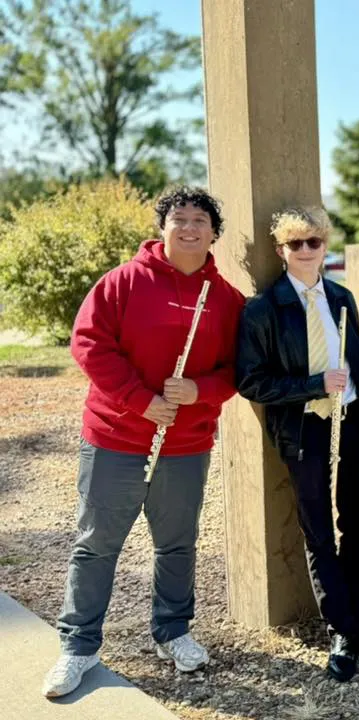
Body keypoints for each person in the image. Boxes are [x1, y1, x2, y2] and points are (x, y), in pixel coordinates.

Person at [42, 187, 245, 699]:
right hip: (115, 437)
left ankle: (173, 631)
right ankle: (78, 646)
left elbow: (241, 370)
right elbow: (88, 344)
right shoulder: (122, 282)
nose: (190, 227)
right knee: (96, 544)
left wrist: (199, 391)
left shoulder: (225, 300)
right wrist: (139, 398)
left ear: (213, 233)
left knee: (176, 544)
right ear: (163, 227)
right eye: (180, 218)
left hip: (185, 444)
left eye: (201, 219)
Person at [234, 207, 359, 682]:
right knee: (319, 533)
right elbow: (250, 382)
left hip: (351, 423)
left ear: (324, 247)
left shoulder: (341, 297)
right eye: (295, 244)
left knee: (358, 526)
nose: (305, 251)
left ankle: (354, 618)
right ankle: (342, 630)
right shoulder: (262, 310)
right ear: (281, 252)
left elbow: (356, 358)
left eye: (313, 243)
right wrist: (314, 384)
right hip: (305, 431)